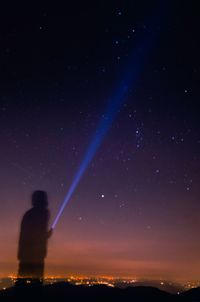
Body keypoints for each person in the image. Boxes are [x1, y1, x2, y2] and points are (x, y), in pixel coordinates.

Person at [17, 190, 52, 284]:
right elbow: (36, 235)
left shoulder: (29, 214)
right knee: (36, 283)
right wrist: (46, 235)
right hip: (35, 257)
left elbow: (27, 234)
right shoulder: (41, 213)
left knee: (23, 283)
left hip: (26, 256)